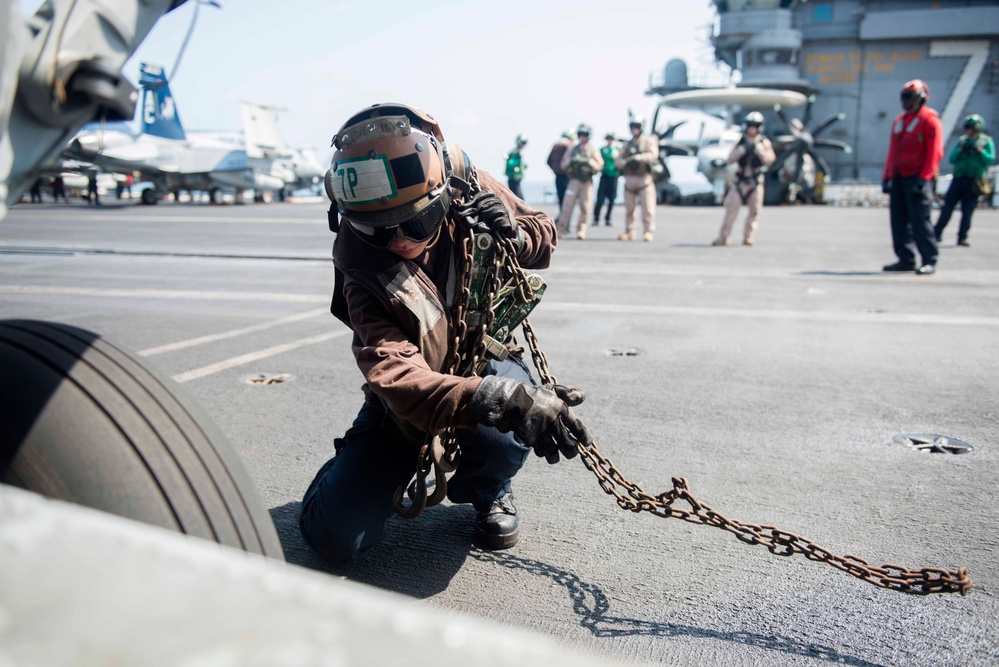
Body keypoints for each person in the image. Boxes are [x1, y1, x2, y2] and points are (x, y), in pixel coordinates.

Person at [298, 103, 592, 563]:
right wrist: (498, 398)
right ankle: (338, 482)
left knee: (501, 443)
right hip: (412, 392)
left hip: (483, 354)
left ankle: (488, 489)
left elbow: (544, 234)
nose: (398, 241)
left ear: (442, 196)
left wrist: (513, 236)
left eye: (415, 222)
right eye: (378, 231)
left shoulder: (466, 182)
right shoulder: (360, 263)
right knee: (335, 538)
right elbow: (394, 370)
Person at [881, 79, 943, 275]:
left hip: (917, 177)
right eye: (903, 98)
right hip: (899, 177)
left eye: (909, 98)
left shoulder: (929, 120)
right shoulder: (899, 121)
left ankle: (929, 260)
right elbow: (892, 150)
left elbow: (935, 152)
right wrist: (887, 176)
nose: (905, 102)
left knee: (920, 221)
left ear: (921, 98)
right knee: (898, 221)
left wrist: (925, 178)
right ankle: (905, 258)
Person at [711, 111, 776, 247]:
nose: (752, 128)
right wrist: (742, 150)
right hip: (740, 181)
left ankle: (749, 237)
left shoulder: (764, 143)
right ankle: (723, 237)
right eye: (750, 125)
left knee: (754, 211)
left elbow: (770, 160)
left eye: (755, 125)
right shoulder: (740, 141)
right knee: (731, 209)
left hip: (756, 181)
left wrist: (759, 150)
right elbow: (730, 158)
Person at [934, 113, 994, 247]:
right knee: (947, 208)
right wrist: (961, 150)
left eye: (969, 127)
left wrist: (980, 151)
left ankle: (962, 237)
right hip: (959, 179)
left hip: (974, 181)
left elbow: (989, 159)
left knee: (967, 211)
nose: (966, 130)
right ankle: (936, 233)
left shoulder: (986, 141)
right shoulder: (962, 141)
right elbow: (952, 158)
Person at [615, 116, 659, 242]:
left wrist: (638, 157)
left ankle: (648, 231)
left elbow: (653, 155)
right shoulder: (627, 144)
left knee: (648, 209)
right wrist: (626, 162)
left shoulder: (648, 141)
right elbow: (618, 161)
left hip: (644, 180)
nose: (634, 129)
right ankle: (629, 231)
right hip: (629, 181)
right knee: (629, 209)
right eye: (632, 127)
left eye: (637, 127)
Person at [557, 124, 603, 240]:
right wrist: (572, 161)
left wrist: (588, 161)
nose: (582, 137)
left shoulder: (593, 150)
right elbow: (563, 164)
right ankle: (561, 229)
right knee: (567, 206)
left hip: (586, 182)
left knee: (585, 207)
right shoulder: (572, 149)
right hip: (574, 181)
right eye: (580, 135)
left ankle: (581, 230)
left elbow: (599, 165)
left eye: (585, 135)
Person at [592, 132, 620, 226]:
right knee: (600, 198)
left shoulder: (618, 150)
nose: (610, 141)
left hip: (614, 176)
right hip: (604, 176)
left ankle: (608, 218)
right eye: (608, 139)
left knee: (612, 199)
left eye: (611, 139)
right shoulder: (601, 150)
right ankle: (596, 218)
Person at [546, 131, 573, 212]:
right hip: (567, 176)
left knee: (561, 196)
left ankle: (562, 214)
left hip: (558, 176)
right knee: (568, 197)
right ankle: (564, 216)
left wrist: (555, 170)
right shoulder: (569, 146)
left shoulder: (556, 146)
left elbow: (548, 161)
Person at [504, 134, 528, 200]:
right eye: (523, 142)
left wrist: (523, 166)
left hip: (517, 178)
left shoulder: (518, 152)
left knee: (518, 197)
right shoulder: (514, 152)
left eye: (525, 143)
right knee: (518, 198)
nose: (524, 145)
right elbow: (510, 163)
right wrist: (516, 166)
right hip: (513, 178)